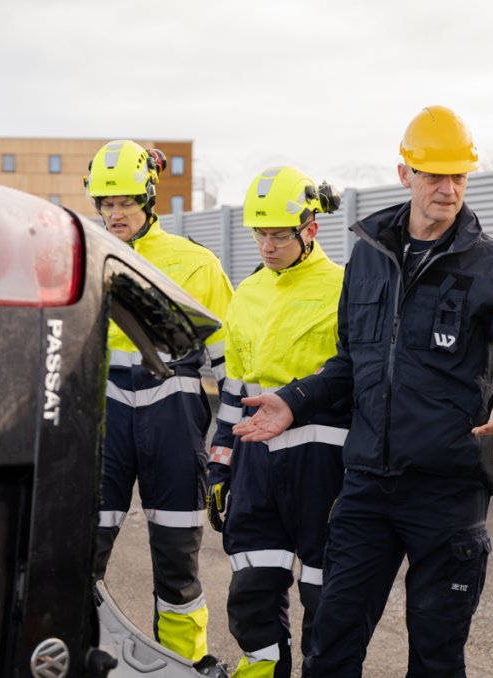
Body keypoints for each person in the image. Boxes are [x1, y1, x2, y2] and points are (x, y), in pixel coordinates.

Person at [232, 105, 493, 677]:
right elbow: (350, 363)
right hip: (366, 490)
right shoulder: (368, 257)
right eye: (434, 175)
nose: (448, 189)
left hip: (449, 491)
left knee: (435, 657)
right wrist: (294, 400)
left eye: (458, 176)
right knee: (330, 648)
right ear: (405, 173)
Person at [85, 139, 234, 664]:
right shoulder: (85, 259)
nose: (115, 212)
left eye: (125, 200)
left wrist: (229, 445)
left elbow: (229, 364)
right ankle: (81, 658)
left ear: (149, 199)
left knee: (176, 562)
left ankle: (183, 666)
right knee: (82, 553)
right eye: (106, 202)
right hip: (104, 424)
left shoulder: (196, 265)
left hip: (172, 425)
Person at [205, 166, 348, 678]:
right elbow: (234, 392)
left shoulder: (345, 288)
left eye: (279, 234)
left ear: (311, 228)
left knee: (324, 596)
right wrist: (220, 466)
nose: (267, 245)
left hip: (323, 468)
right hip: (254, 467)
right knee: (251, 592)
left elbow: (357, 379)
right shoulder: (246, 294)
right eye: (259, 234)